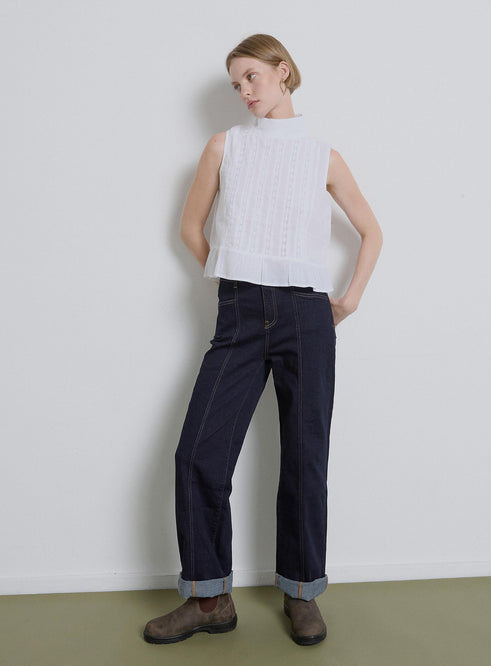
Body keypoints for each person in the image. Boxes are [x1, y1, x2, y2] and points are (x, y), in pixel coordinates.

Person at [144, 33, 383, 647]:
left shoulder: (323, 156)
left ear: (283, 71)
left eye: (251, 76)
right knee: (198, 453)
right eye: (235, 84)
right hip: (240, 313)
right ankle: (209, 598)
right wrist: (233, 274)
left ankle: (302, 593)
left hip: (307, 315)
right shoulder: (224, 146)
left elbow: (372, 232)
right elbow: (190, 227)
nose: (244, 91)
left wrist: (349, 299)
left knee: (305, 458)